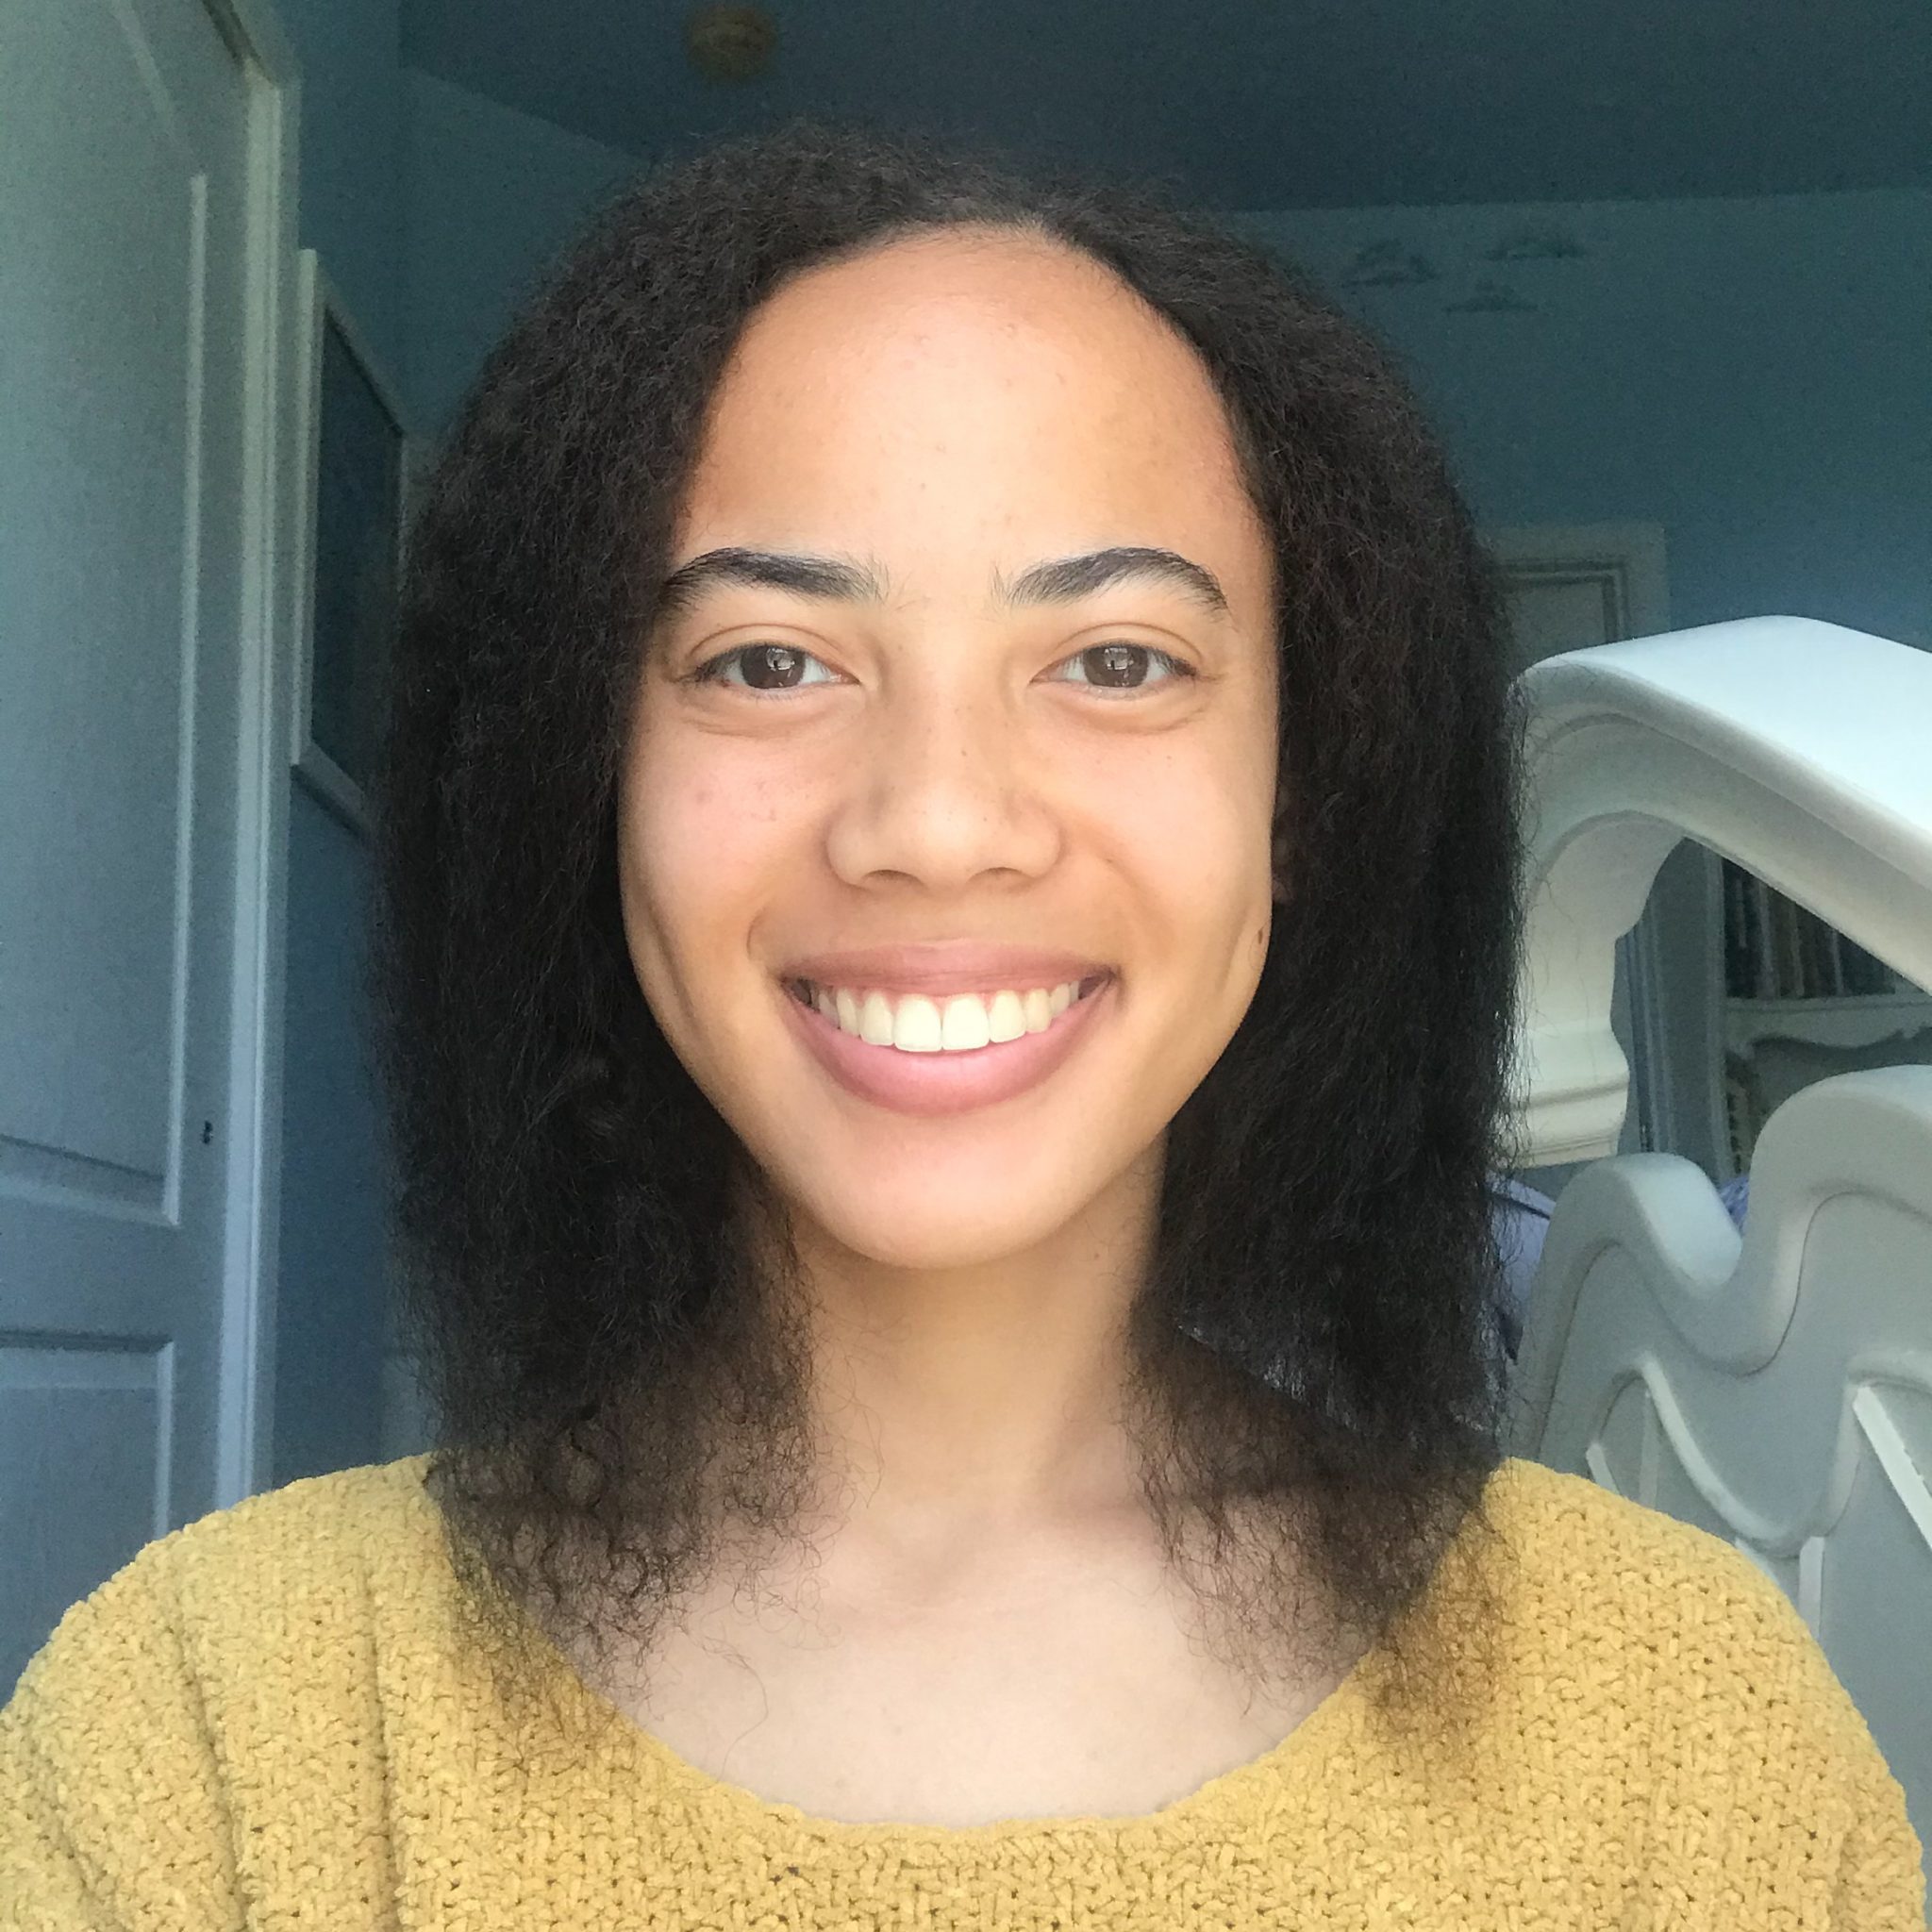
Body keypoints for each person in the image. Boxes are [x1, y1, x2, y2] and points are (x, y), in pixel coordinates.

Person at [2, 119, 1921, 1929]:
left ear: (1298, 799)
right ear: (593, 777)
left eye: (1116, 658)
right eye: (769, 659)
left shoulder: (1682, 1728)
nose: (933, 819)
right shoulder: (214, 1736)